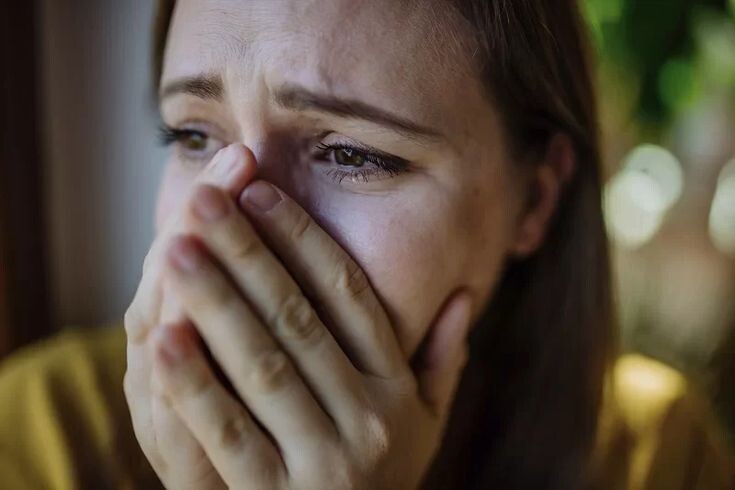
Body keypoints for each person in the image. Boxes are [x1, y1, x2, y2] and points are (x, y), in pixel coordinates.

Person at [0, 0, 733, 488]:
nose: (230, 221)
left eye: (353, 154)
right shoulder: (40, 432)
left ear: (533, 201)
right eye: (194, 135)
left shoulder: (659, 461)